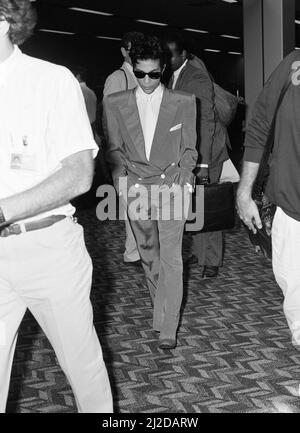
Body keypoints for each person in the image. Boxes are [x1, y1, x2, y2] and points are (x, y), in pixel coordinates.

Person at [0, 0, 112, 413]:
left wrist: (3, 211)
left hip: (49, 250)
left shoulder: (51, 81)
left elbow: (79, 175)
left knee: (85, 374)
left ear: (4, 21)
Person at [103, 35, 197, 349]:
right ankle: (161, 310)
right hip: (137, 190)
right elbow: (114, 150)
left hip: (172, 187)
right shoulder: (115, 104)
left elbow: (190, 150)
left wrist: (183, 177)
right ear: (133, 68)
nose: (146, 80)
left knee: (172, 259)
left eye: (153, 74)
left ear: (164, 72)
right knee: (149, 258)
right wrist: (121, 182)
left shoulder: (184, 102)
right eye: (140, 73)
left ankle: (168, 325)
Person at [236, 49, 300, 350]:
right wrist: (244, 190)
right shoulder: (293, 64)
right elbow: (260, 125)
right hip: (292, 206)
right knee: (296, 300)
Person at [164, 34, 229, 278]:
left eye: (172, 54)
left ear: (184, 54)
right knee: (194, 203)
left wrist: (202, 163)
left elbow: (204, 120)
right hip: (188, 151)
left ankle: (211, 260)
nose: (168, 58)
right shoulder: (174, 74)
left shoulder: (197, 76)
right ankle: (201, 253)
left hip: (206, 151)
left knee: (208, 203)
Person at [103, 31, 144, 265]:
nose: (136, 51)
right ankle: (133, 253)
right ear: (123, 51)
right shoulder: (118, 78)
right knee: (131, 202)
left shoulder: (142, 76)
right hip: (124, 153)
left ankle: (137, 250)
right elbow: (110, 118)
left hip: (140, 151)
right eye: (132, 48)